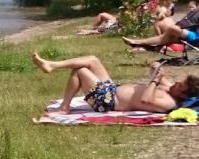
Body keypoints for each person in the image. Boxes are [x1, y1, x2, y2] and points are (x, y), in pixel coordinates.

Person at [32, 53, 198, 114]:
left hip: (108, 102)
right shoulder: (171, 89)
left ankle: (64, 107)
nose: (175, 83)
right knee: (92, 60)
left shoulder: (169, 102)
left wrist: (155, 80)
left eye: (180, 85)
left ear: (183, 94)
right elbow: (157, 74)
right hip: (111, 89)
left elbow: (146, 100)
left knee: (80, 71)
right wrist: (156, 68)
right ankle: (52, 65)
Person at [122, 3, 199, 49]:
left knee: (172, 29)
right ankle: (138, 43)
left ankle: (139, 43)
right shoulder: (196, 10)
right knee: (168, 36)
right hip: (189, 32)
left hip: (195, 36)